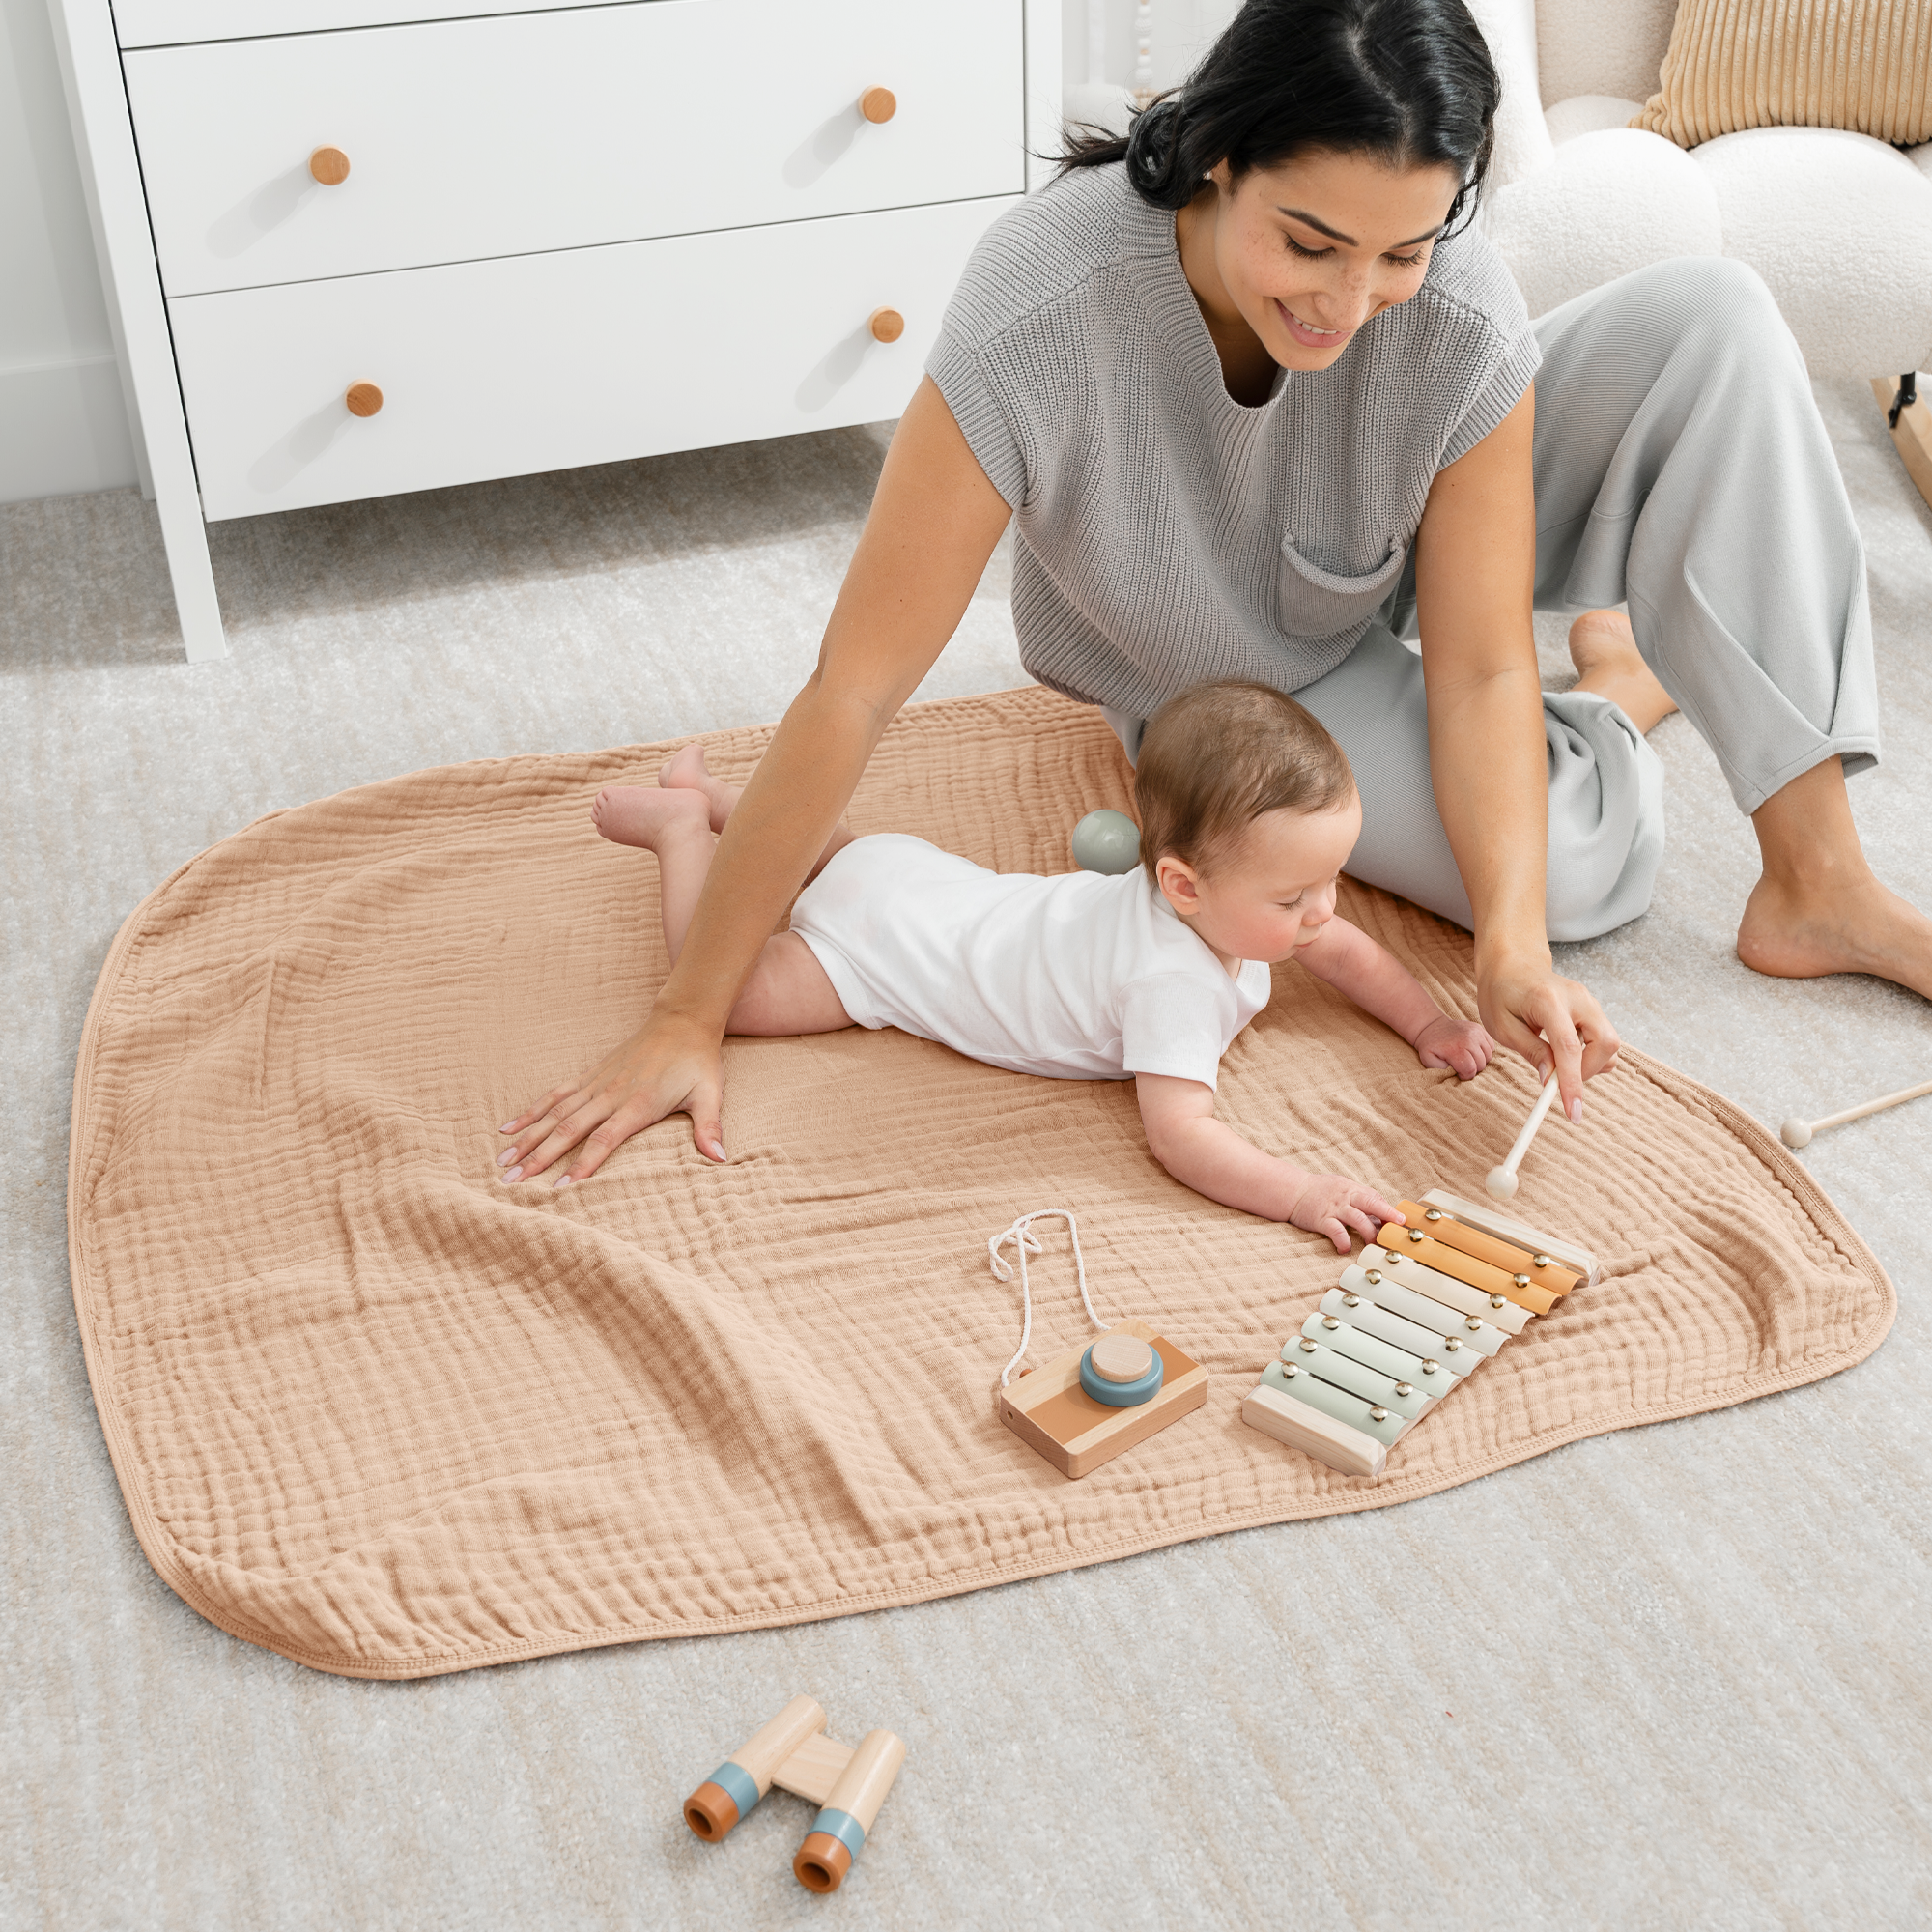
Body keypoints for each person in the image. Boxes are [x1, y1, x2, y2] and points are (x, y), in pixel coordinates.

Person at [497, 0, 1929, 1188]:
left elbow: (1487, 666)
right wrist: (691, 1011)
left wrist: (1497, 958)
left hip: (1404, 533)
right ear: (1213, 157)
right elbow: (855, 686)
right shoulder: (1041, 307)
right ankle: (1626, 681)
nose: (1352, 299)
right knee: (1576, 872)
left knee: (1722, 321)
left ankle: (1818, 882)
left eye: (1404, 252)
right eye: (1311, 243)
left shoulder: (1449, 311)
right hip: (1255, 663)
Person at [548, 681, 1492, 1252]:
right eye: (1292, 899)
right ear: (1182, 885)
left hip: (912, 873)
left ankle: (726, 804)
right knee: (738, 992)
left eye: (1328, 879)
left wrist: (1426, 1021)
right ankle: (684, 832)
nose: (1321, 912)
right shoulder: (1171, 979)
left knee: (839, 859)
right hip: (880, 957)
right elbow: (1181, 1133)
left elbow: (1347, 951)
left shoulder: (1239, 909)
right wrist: (1302, 1192)